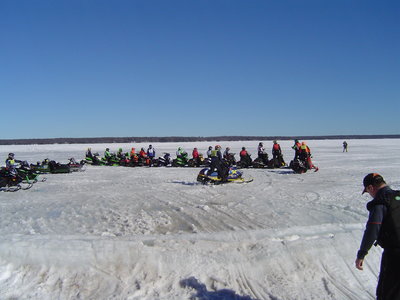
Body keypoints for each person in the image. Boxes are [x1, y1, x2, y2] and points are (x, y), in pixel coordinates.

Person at [355, 173, 400, 299]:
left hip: (395, 255)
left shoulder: (381, 201)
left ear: (370, 187)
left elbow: (373, 228)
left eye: (368, 191)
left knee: (387, 292)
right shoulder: (398, 196)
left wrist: (362, 253)